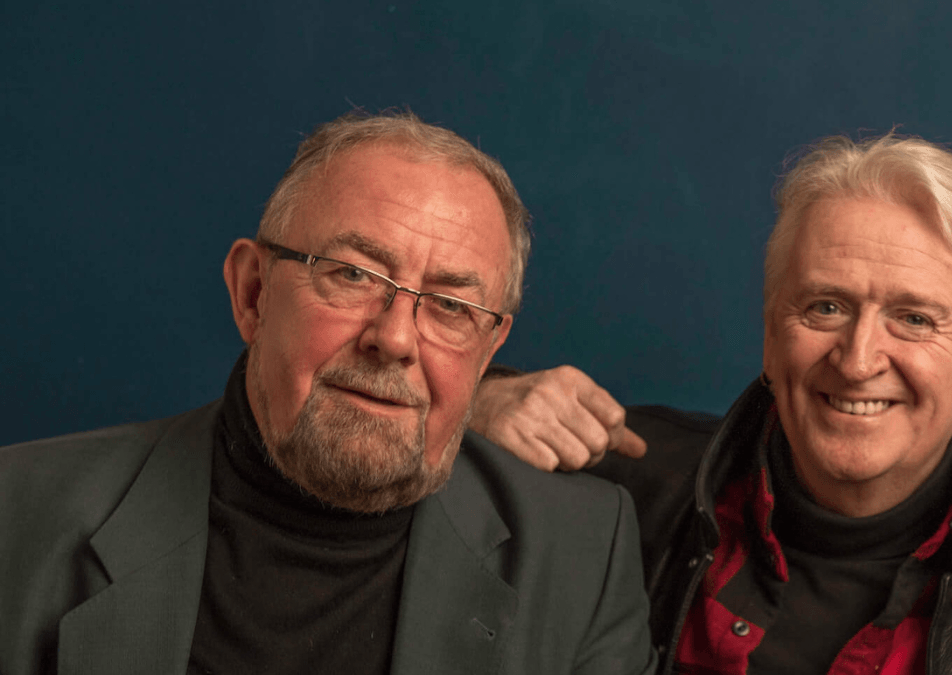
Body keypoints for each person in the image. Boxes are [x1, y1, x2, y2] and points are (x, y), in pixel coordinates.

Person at [470, 134, 952, 674]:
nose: (856, 360)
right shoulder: (613, 490)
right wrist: (478, 406)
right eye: (824, 306)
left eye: (914, 317)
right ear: (769, 332)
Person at [0, 110, 655, 675]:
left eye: (452, 306)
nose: (395, 337)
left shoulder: (582, 558)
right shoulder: (17, 517)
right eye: (352, 273)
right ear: (252, 293)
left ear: (489, 349)